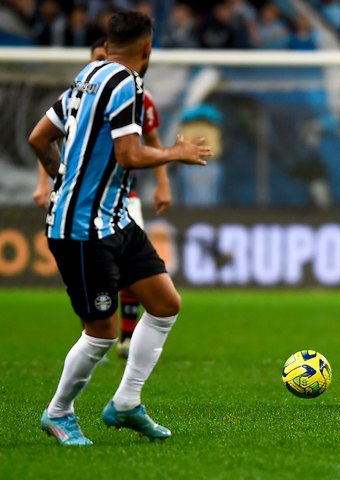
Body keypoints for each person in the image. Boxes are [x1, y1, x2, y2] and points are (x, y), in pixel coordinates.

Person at [28, 11, 211, 446]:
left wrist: (61, 181)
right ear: (148, 50)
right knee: (102, 333)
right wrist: (174, 153)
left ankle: (126, 403)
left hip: (115, 219)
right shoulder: (127, 84)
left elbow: (38, 137)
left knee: (165, 303)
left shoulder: (87, 74)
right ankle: (58, 413)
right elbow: (129, 155)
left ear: (107, 45)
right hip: (81, 229)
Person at [32, 37, 173, 359]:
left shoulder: (139, 97)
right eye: (98, 57)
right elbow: (48, 140)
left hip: (124, 200)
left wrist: (163, 182)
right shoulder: (77, 95)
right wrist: (49, 182)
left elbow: (150, 138)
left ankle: (124, 336)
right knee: (101, 284)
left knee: (138, 273)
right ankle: (98, 333)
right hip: (82, 208)